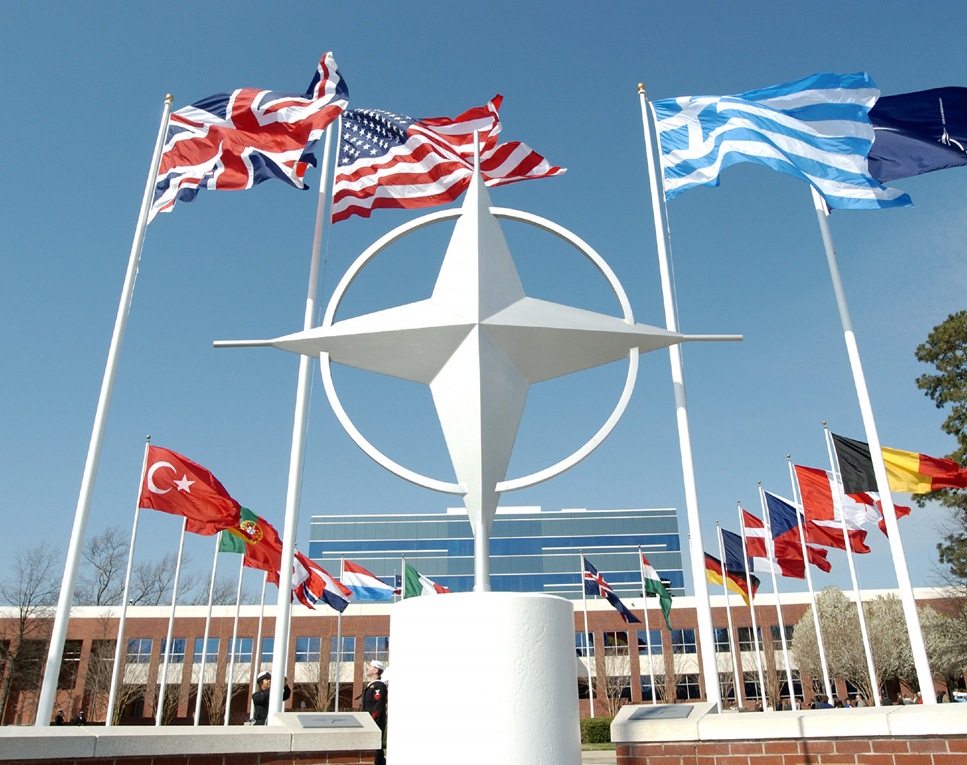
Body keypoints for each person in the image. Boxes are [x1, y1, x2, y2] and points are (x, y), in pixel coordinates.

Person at [362, 660, 388, 765]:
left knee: (375, 748)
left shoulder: (379, 686)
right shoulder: (371, 685)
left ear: (376, 670)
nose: (367, 667)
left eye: (370, 666)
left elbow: (378, 705)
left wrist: (371, 721)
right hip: (368, 723)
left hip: (374, 722)